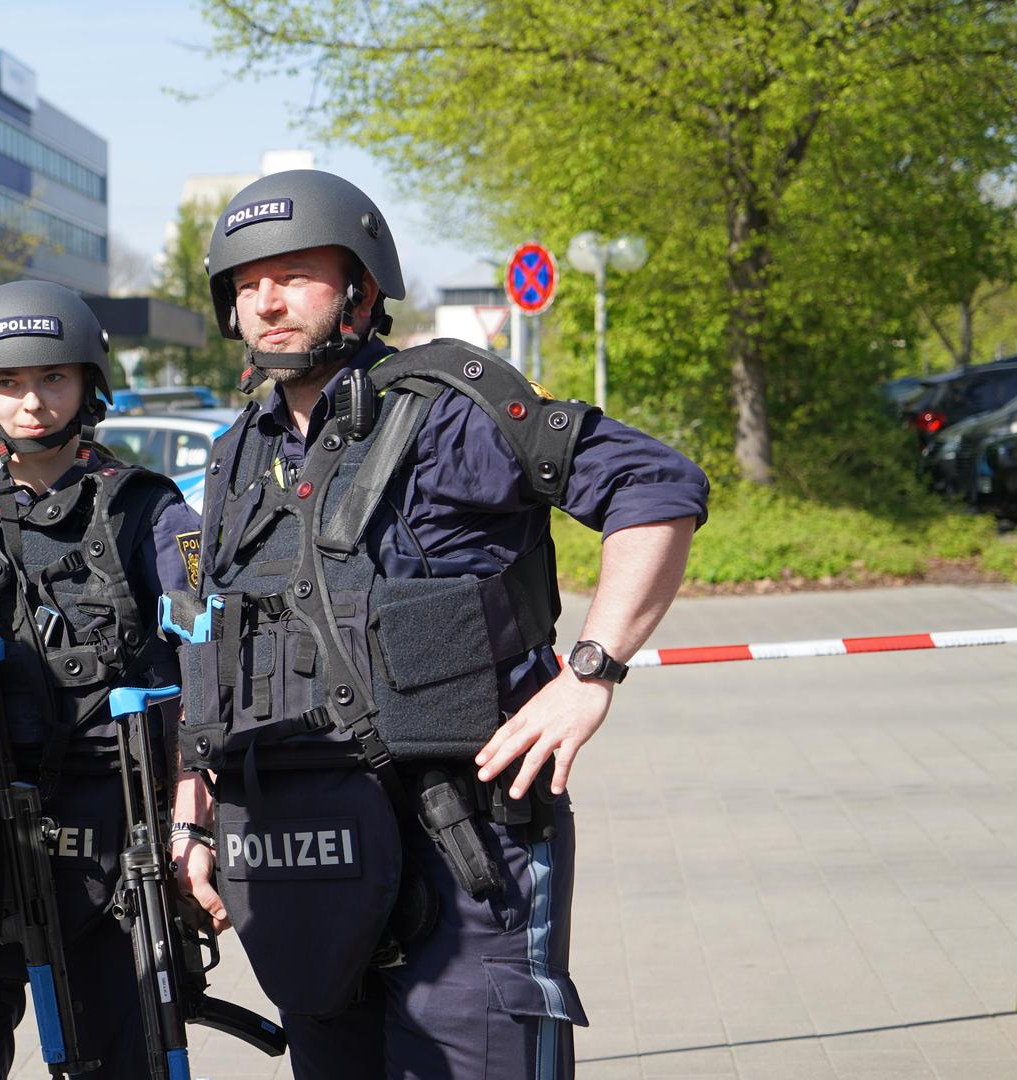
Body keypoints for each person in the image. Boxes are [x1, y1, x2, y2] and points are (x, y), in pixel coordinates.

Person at [169, 169, 709, 1078]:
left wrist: (591, 673)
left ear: (361, 289)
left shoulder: (451, 410)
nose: (267, 300)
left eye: (296, 273)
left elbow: (656, 492)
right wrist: (195, 808)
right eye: (247, 283)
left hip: (469, 851)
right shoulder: (237, 457)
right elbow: (214, 636)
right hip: (304, 858)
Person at [0, 279, 202, 1078]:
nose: (30, 402)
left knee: (125, 1054)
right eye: (7, 383)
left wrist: (191, 807)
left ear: (87, 386)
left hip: (115, 819)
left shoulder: (146, 509)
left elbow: (210, 641)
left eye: (52, 378)